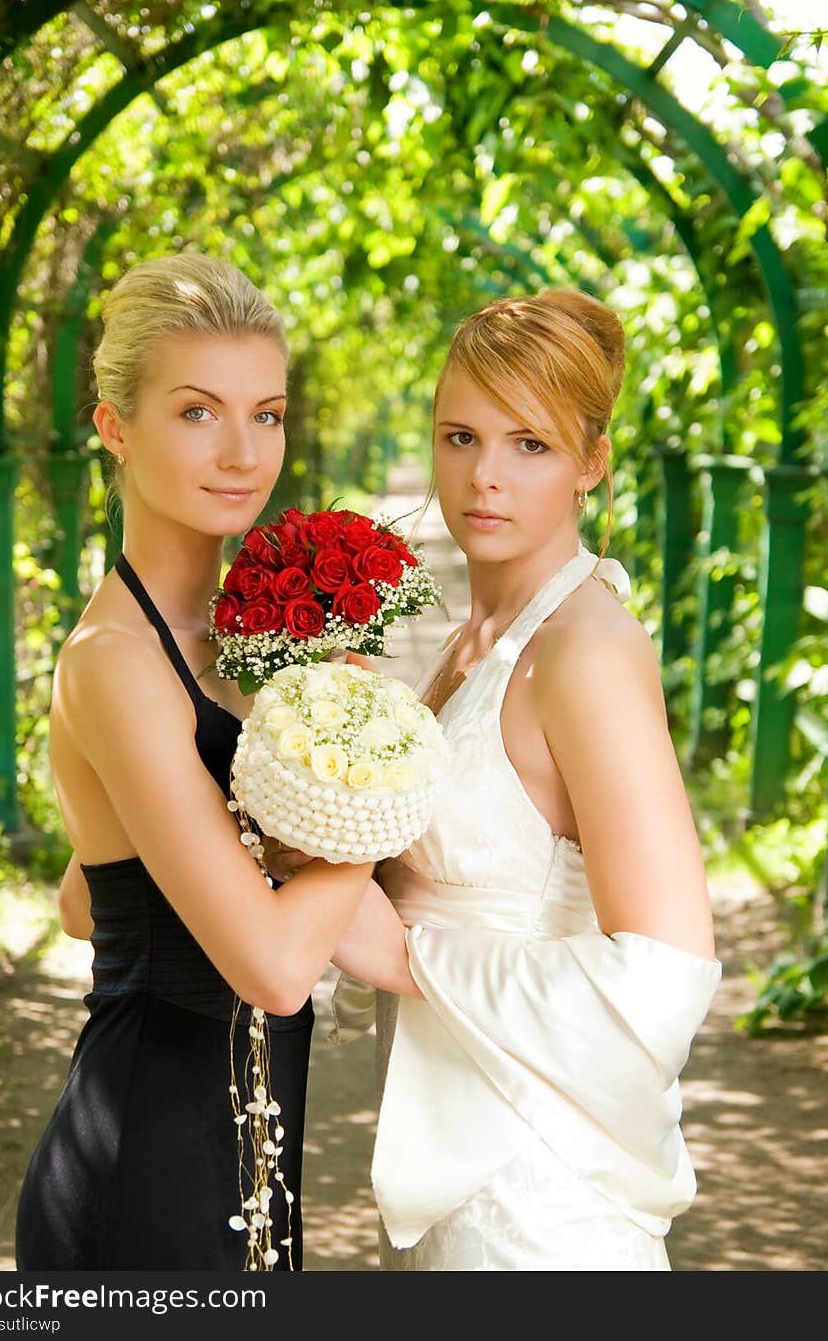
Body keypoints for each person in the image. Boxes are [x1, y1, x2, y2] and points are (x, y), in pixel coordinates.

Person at [324, 288, 722, 1270]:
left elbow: (665, 981)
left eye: (529, 444)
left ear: (591, 462)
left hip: (537, 1205)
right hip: (448, 1155)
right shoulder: (478, 642)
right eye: (460, 436)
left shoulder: (583, 652)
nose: (484, 477)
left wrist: (411, 958)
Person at [14, 254, 374, 1272]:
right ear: (114, 426)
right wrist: (363, 782)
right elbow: (269, 966)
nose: (241, 452)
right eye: (196, 412)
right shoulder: (118, 660)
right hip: (143, 1188)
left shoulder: (237, 639)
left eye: (266, 414)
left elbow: (87, 900)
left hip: (244, 1170)